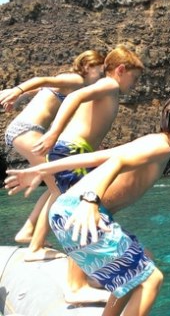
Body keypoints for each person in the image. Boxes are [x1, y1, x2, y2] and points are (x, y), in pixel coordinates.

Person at [4, 92, 170, 316]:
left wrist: (41, 169)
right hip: (81, 211)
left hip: (67, 210)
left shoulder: (153, 142)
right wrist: (91, 200)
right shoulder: (161, 146)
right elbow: (117, 161)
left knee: (143, 261)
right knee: (151, 280)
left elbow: (101, 156)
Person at [29, 44, 145, 304]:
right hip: (71, 152)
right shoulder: (110, 85)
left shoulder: (110, 90)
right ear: (121, 70)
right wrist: (53, 132)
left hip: (75, 152)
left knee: (81, 209)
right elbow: (73, 97)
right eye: (134, 78)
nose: (135, 85)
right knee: (81, 212)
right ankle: (75, 285)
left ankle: (80, 275)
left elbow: (90, 123)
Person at [0, 50, 105, 261]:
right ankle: (35, 246)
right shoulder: (75, 79)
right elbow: (41, 79)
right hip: (27, 131)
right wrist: (16, 90)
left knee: (54, 185)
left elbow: (40, 88)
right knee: (59, 188)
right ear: (87, 66)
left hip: (24, 130)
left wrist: (19, 95)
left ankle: (29, 229)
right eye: (100, 70)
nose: (102, 76)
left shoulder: (70, 82)